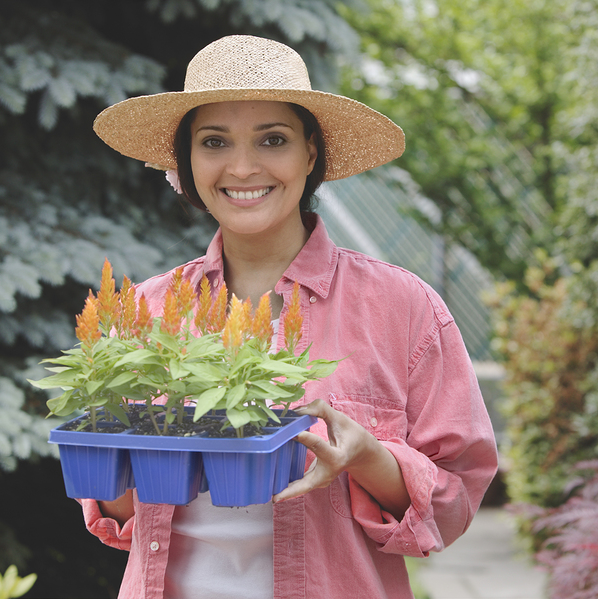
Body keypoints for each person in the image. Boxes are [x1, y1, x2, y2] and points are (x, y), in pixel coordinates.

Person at [80, 35, 498, 599]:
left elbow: (454, 504)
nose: (244, 166)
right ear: (188, 162)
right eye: (214, 141)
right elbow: (115, 517)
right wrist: (117, 457)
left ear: (310, 153)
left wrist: (369, 458)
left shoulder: (401, 307)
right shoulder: (144, 311)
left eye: (272, 139)